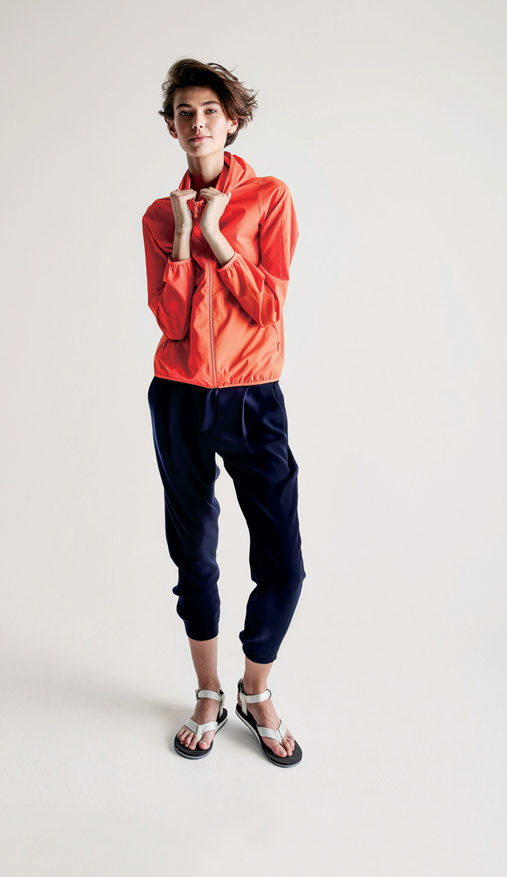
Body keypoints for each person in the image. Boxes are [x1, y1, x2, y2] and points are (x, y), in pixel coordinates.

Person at [143, 59, 306, 767]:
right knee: (195, 555)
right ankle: (208, 692)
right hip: (179, 396)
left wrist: (217, 235)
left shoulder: (269, 198)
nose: (197, 122)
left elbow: (268, 307)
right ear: (172, 126)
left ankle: (254, 689)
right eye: (184, 112)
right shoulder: (159, 216)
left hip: (252, 397)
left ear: (232, 120)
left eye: (209, 110)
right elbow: (173, 322)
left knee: (284, 563)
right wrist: (184, 234)